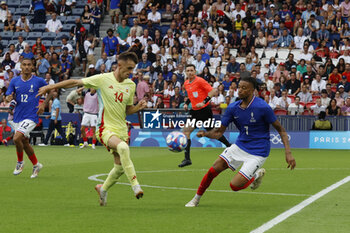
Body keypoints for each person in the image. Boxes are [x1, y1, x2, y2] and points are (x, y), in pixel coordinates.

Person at [37, 52, 146, 205]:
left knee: (120, 167)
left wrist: (138, 107)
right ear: (119, 65)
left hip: (121, 129)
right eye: (129, 68)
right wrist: (52, 86)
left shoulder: (130, 85)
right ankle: (136, 186)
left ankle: (103, 189)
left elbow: (127, 110)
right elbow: (75, 82)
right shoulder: (102, 79)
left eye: (133, 69)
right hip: (104, 128)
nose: (131, 72)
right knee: (123, 148)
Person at [185, 77, 296, 207]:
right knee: (213, 170)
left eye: (244, 88)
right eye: (239, 87)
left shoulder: (262, 107)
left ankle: (255, 175)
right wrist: (205, 133)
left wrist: (288, 153)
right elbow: (219, 132)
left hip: (258, 152)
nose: (240, 91)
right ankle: (196, 199)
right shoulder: (233, 108)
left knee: (235, 186)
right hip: (240, 146)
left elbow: (281, 129)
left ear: (252, 90)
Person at [5, 58, 49, 178]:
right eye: (24, 65)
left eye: (29, 65)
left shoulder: (38, 81)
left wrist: (43, 104)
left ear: (33, 67)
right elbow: (9, 94)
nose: (26, 67)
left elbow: (52, 90)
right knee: (24, 142)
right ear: (21, 67)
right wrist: (8, 98)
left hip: (31, 116)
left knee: (16, 138)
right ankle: (36, 165)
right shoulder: (14, 81)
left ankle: (20, 162)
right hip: (18, 117)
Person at [179, 64, 231, 168]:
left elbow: (213, 91)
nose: (190, 72)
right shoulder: (186, 83)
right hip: (194, 111)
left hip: (205, 111)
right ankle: (187, 159)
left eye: (191, 70)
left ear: (195, 71)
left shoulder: (200, 80)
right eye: (188, 70)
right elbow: (191, 95)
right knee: (186, 131)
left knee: (214, 134)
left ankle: (230, 147)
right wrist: (186, 103)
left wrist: (204, 102)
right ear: (185, 72)